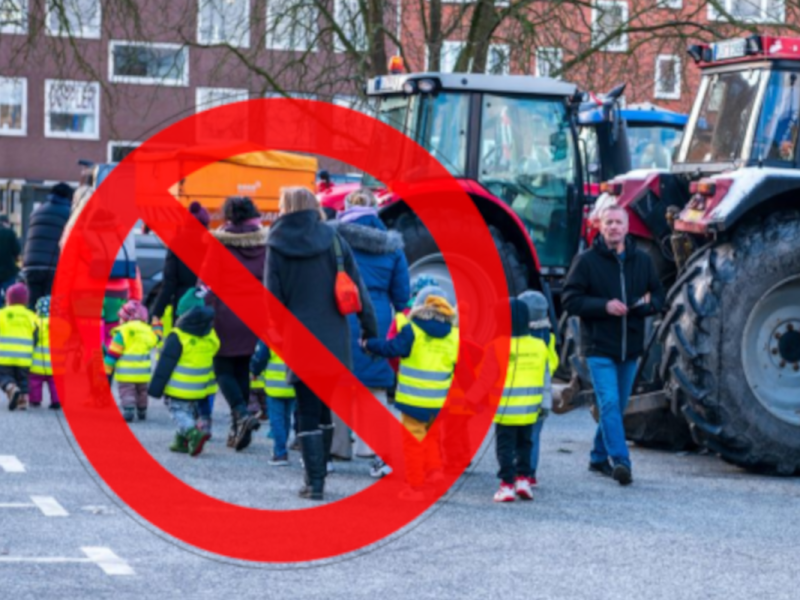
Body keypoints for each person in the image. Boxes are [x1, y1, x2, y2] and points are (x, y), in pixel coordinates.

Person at [265, 186, 377, 501]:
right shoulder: (334, 240)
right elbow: (360, 289)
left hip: (298, 339)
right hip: (333, 337)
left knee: (306, 409)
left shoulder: (276, 244)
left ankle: (313, 482)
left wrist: (275, 335)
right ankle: (321, 474)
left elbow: (272, 299)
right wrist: (369, 329)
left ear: (284, 206)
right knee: (326, 407)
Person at [562, 204, 665, 486]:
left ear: (627, 227)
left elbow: (658, 296)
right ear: (600, 226)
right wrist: (604, 306)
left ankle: (597, 457)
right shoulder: (586, 262)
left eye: (618, 223)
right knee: (608, 403)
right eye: (609, 223)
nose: (614, 228)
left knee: (616, 407)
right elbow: (569, 300)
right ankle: (621, 462)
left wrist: (644, 307)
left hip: (630, 350)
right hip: (599, 349)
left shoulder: (642, 262)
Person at [331, 188, 410, 476]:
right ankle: (370, 446)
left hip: (341, 311)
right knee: (375, 383)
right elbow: (402, 296)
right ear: (375, 210)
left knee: (339, 381)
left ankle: (338, 446)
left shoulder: (335, 240)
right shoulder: (392, 246)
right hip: (375, 314)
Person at [364, 286, 458, 502]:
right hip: (439, 402)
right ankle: (436, 476)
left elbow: (391, 348)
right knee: (432, 439)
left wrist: (368, 344)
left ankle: (414, 487)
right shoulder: (454, 335)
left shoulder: (411, 330)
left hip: (413, 401)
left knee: (412, 445)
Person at [205, 196, 267, 452]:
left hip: (224, 315)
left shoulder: (219, 243)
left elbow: (207, 282)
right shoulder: (264, 243)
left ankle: (241, 415)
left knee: (222, 368)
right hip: (254, 315)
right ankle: (238, 427)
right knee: (242, 367)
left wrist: (203, 313)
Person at [149, 288, 219, 456]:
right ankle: (180, 442)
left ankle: (192, 433)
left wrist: (155, 389)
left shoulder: (178, 336)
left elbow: (165, 365)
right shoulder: (211, 335)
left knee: (178, 411)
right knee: (189, 411)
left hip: (179, 388)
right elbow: (213, 360)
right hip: (200, 388)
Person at [518, 290, 558, 487]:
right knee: (533, 436)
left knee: (513, 435)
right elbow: (553, 363)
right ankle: (530, 473)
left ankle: (515, 471)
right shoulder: (547, 338)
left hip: (515, 398)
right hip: (540, 398)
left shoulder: (515, 336)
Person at [150, 202, 209, 334]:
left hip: (182, 304)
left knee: (181, 345)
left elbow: (169, 284)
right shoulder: (212, 244)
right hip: (207, 302)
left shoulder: (177, 243)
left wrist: (156, 313)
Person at [104, 300, 160, 422]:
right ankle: (142, 410)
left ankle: (129, 410)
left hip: (126, 373)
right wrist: (157, 325)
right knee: (142, 391)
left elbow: (113, 353)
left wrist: (106, 370)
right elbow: (156, 339)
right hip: (143, 373)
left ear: (126, 318)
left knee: (127, 391)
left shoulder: (122, 332)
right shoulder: (147, 331)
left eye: (121, 318)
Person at [22, 182, 74, 307]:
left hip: (30, 265)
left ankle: (32, 325)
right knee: (51, 307)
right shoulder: (69, 213)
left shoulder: (37, 211)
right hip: (52, 266)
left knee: (33, 305)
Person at [250, 340, 296, 466]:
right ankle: (282, 448)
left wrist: (254, 371)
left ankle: (280, 453)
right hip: (293, 384)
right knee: (286, 418)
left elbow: (260, 358)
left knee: (276, 420)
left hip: (275, 386)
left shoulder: (270, 335)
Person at [0, 283, 36, 411]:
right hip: (24, 355)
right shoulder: (31, 315)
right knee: (23, 378)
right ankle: (23, 400)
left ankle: (10, 387)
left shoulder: (2, 314)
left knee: (4, 376)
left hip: (4, 355)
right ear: (26, 300)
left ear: (8, 299)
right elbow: (36, 333)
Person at [29, 296, 63, 410]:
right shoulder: (62, 324)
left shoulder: (36, 322)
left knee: (35, 382)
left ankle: (35, 400)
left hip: (37, 363)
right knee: (55, 384)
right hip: (57, 364)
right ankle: (57, 401)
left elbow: (32, 339)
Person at [0, 215, 21, 306]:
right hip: (9, 270)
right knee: (11, 296)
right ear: (6, 223)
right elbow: (17, 250)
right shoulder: (10, 233)